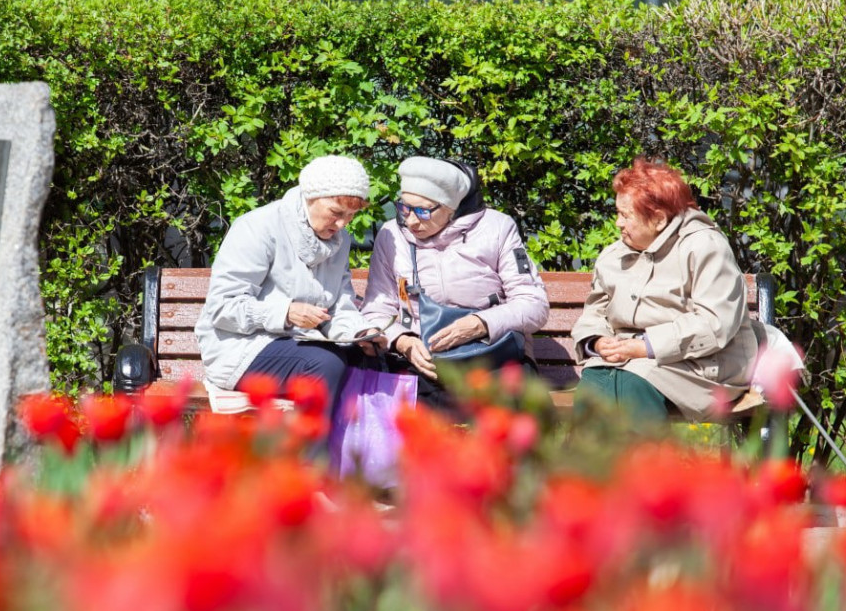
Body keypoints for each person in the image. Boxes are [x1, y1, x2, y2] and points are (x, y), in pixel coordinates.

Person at [571, 157, 759, 422]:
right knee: (596, 380)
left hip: (701, 367)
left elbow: (714, 323)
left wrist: (644, 346)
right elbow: (596, 311)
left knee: (631, 383)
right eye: (618, 213)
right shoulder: (613, 256)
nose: (618, 223)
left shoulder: (705, 246)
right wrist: (597, 341)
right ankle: (587, 463)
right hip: (628, 362)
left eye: (625, 215)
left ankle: (649, 464)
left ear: (658, 219)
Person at [360, 157, 549, 407]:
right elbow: (377, 309)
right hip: (421, 364)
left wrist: (480, 323)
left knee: (511, 416)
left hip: (492, 358)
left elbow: (534, 304)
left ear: (451, 207)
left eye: (423, 210)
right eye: (404, 208)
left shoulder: (497, 228)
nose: (411, 220)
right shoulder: (390, 236)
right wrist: (402, 341)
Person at [196, 155, 385, 404]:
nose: (341, 224)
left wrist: (361, 332)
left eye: (350, 215)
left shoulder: (340, 241)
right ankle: (312, 444)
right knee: (325, 363)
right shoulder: (258, 227)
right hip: (241, 347)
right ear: (310, 197)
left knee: (373, 359)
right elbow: (223, 308)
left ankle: (357, 444)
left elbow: (340, 306)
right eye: (335, 212)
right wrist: (286, 313)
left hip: (303, 343)